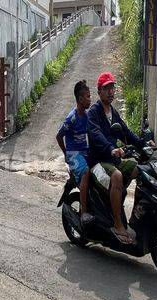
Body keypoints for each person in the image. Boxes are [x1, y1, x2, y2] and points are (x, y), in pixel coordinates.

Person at [87, 72, 151, 244]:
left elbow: (125, 132)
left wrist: (143, 144)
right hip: (98, 162)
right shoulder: (93, 112)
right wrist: (111, 149)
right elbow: (95, 134)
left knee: (140, 170)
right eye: (106, 88)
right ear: (99, 91)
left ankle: (136, 216)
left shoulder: (113, 112)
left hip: (113, 160)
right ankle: (117, 225)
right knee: (117, 176)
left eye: (112, 87)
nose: (110, 91)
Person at [56, 80, 93, 224]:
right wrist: (66, 154)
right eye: (88, 96)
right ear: (80, 99)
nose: (90, 99)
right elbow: (59, 136)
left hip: (85, 152)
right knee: (86, 172)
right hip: (73, 154)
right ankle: (83, 212)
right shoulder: (71, 117)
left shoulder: (88, 116)